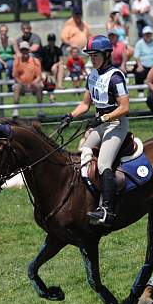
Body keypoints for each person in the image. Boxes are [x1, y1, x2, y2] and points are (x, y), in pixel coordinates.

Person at [59, 35, 129, 227]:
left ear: (106, 55)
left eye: (96, 54)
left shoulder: (115, 76)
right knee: (83, 154)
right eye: (90, 55)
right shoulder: (92, 76)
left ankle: (107, 210)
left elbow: (124, 107)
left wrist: (104, 118)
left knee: (103, 163)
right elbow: (85, 104)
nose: (92, 58)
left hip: (116, 124)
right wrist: (70, 116)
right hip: (100, 123)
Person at [12, 41, 43, 117]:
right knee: (16, 87)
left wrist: (32, 83)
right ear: (20, 51)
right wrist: (22, 84)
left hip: (32, 84)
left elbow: (39, 76)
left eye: (26, 50)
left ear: (29, 50)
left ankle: (40, 109)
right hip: (21, 84)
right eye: (22, 50)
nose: (24, 52)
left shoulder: (35, 61)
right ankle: (15, 110)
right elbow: (15, 76)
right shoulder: (17, 61)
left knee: (39, 86)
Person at [133, 26, 153, 97]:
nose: (148, 35)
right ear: (143, 34)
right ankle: (140, 91)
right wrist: (140, 65)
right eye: (146, 34)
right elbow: (136, 56)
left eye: (149, 34)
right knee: (139, 72)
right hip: (143, 65)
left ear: (152, 34)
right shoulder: (139, 43)